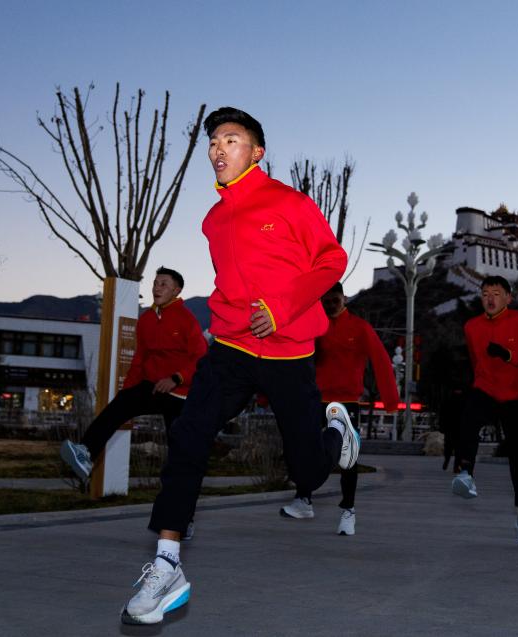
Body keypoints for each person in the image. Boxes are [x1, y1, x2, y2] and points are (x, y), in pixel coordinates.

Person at [120, 107, 358, 625]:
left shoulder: (290, 203)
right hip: (231, 346)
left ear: (256, 152)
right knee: (189, 433)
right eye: (213, 142)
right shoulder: (213, 219)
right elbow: (232, 281)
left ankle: (335, 436)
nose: (218, 149)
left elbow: (332, 260)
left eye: (231, 139)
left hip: (288, 350)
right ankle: (167, 563)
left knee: (307, 471)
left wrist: (281, 308)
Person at [60, 267, 206, 534]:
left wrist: (177, 377)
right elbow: (140, 359)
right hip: (152, 386)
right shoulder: (147, 319)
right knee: (118, 407)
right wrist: (125, 392)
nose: (157, 287)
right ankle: (86, 453)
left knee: (180, 458)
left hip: (181, 393)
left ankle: (183, 518)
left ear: (176, 291)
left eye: (164, 284)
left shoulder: (187, 320)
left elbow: (200, 357)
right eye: (155, 283)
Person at [280, 282, 399, 536]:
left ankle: (348, 512)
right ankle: (303, 499)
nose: (331, 305)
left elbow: (381, 360)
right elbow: (291, 358)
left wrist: (391, 401)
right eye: (326, 301)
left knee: (348, 460)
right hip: (316, 399)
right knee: (306, 449)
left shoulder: (360, 328)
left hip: (347, 402)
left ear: (344, 299)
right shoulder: (314, 326)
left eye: (335, 300)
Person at [452, 276, 518, 547]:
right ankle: (466, 474)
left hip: (517, 394)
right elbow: (475, 360)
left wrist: (508, 354)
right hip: (486, 388)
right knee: (468, 420)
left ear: (508, 298)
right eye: (485, 294)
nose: (490, 299)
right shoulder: (472, 327)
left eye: (496, 293)